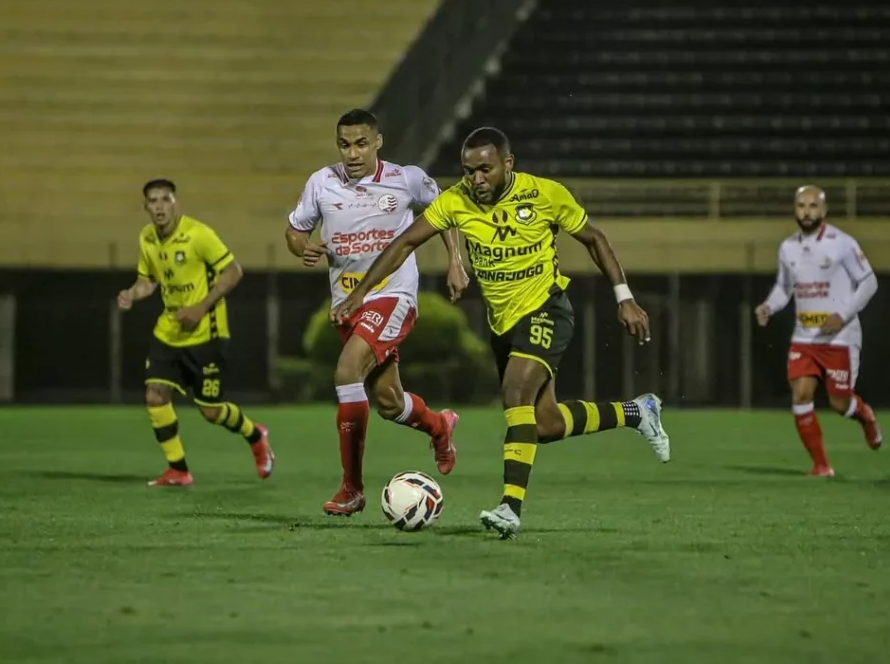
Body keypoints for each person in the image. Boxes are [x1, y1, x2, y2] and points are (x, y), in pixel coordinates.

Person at [330, 126, 670, 539]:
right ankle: (637, 412)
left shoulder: (545, 194)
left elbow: (594, 239)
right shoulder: (456, 200)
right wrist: (361, 294)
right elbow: (403, 244)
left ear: (508, 164)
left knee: (515, 394)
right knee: (544, 424)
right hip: (504, 324)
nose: (476, 180)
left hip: (547, 308)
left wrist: (624, 297)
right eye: (469, 171)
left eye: (485, 170)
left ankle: (510, 508)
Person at [285, 109, 469, 516]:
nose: (352, 153)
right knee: (389, 403)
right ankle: (439, 426)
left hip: (392, 296)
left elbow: (448, 211)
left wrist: (456, 260)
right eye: (345, 145)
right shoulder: (322, 182)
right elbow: (295, 231)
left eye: (361, 143)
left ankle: (352, 489)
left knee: (347, 372)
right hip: (345, 305)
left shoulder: (407, 179)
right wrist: (304, 247)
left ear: (378, 142)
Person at [117, 179, 274, 486]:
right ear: (145, 207)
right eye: (153, 201)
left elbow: (233, 271)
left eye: (165, 199)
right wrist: (131, 294)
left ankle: (256, 435)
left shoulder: (198, 234)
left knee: (211, 412)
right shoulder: (147, 237)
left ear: (176, 203)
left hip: (206, 333)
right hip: (169, 331)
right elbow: (148, 281)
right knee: (155, 396)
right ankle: (178, 469)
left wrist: (202, 307)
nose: (160, 206)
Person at [755, 185, 882, 477]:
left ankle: (865, 416)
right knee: (801, 394)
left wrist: (843, 314)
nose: (807, 211)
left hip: (840, 337)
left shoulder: (842, 243)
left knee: (840, 402)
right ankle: (821, 465)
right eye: (801, 206)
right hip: (805, 337)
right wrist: (769, 307)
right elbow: (785, 287)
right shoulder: (788, 248)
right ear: (795, 210)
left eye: (813, 206)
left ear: (823, 210)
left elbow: (869, 282)